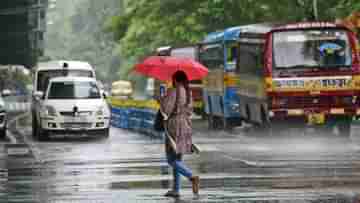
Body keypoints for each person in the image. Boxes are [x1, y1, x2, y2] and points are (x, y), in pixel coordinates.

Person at [160, 71, 199, 198]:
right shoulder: (188, 92)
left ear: (175, 80)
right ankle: (176, 189)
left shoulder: (173, 91)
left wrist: (162, 99)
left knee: (171, 160)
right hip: (185, 125)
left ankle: (191, 176)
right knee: (178, 159)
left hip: (174, 126)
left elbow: (166, 110)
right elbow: (190, 110)